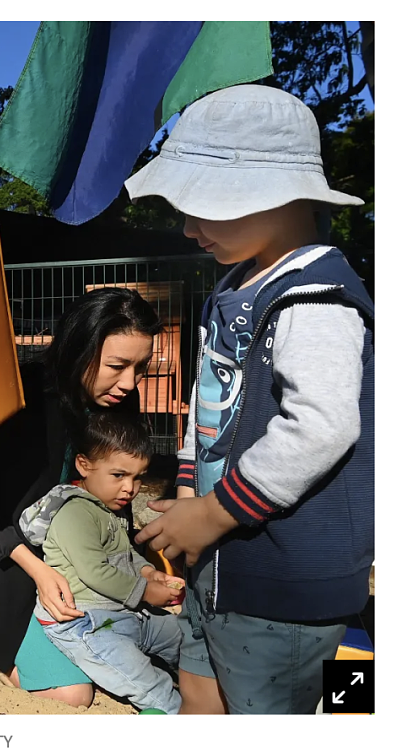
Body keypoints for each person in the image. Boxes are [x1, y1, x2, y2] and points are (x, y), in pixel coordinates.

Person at [126, 84, 374, 715]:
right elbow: (205, 407)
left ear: (274, 194)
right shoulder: (232, 287)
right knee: (200, 691)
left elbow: (321, 426)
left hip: (282, 581)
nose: (187, 228)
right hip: (218, 565)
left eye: (201, 206)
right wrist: (188, 492)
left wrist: (211, 514)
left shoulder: (316, 298)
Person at [0, 286, 162, 708]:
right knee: (73, 693)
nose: (129, 383)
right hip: (3, 556)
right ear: (80, 348)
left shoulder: (119, 405)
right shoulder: (20, 397)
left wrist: (139, 565)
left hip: (72, 559)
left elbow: (116, 502)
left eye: (140, 368)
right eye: (116, 366)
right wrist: (41, 573)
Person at [19, 411, 184, 714]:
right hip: (86, 624)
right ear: (84, 465)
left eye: (138, 477)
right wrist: (146, 591)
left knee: (182, 638)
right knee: (144, 680)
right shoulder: (74, 512)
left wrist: (149, 572)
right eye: (119, 475)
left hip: (126, 612)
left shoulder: (109, 506)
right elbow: (95, 572)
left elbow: (126, 553)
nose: (129, 488)